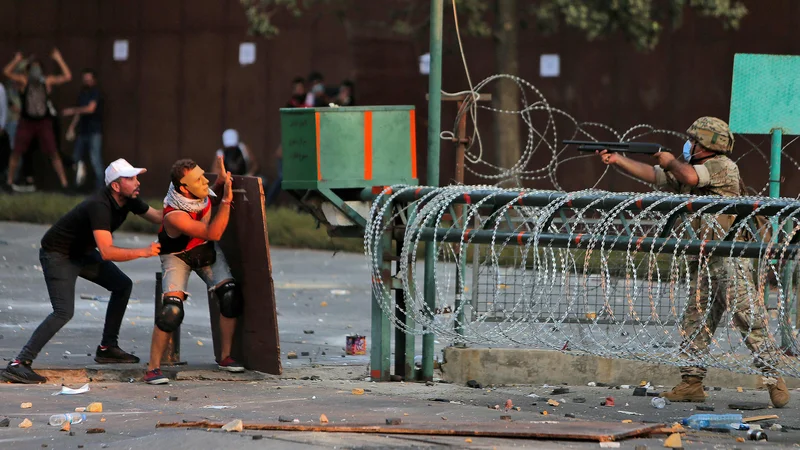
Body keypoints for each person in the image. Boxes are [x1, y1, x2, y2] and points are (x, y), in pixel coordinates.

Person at [596, 117, 789, 408]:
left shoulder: (722, 167)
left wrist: (671, 161)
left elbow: (689, 177)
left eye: (695, 141)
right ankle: (691, 382)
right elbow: (655, 175)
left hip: (729, 258)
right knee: (696, 322)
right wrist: (618, 159)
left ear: (708, 145)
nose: (690, 144)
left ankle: (774, 379)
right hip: (704, 259)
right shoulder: (690, 169)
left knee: (748, 319)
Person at [0, 159, 163, 384]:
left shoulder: (129, 200)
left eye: (136, 177)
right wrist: (144, 251)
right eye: (130, 178)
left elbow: (159, 217)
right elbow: (106, 251)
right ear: (115, 186)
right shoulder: (99, 205)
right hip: (59, 254)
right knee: (63, 311)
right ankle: (19, 364)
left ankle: (107, 348)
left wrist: (190, 205)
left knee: (122, 285)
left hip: (82, 253)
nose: (137, 182)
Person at [144, 157, 244, 385]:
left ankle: (225, 356)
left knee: (230, 295)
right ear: (183, 188)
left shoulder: (196, 192)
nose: (203, 182)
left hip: (203, 250)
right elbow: (213, 233)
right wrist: (227, 201)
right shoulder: (175, 214)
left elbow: (212, 196)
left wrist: (219, 182)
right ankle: (152, 368)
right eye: (197, 179)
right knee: (172, 312)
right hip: (178, 256)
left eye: (202, 176)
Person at [2, 50, 72, 192]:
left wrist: (59, 59)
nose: (36, 70)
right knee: (16, 151)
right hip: (26, 122)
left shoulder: (46, 81)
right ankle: (9, 182)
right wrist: (16, 60)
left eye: (37, 67)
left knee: (53, 152)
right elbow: (6, 72)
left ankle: (65, 184)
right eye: (33, 67)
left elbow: (67, 76)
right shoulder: (23, 81)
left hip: (43, 122)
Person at [63, 68, 104, 190]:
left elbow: (90, 109)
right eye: (85, 79)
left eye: (89, 79)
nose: (87, 82)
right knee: (76, 158)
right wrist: (71, 128)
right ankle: (77, 185)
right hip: (82, 131)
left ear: (94, 80)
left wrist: (72, 110)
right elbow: (80, 112)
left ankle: (100, 188)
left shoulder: (96, 93)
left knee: (95, 159)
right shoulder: (82, 93)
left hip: (94, 131)